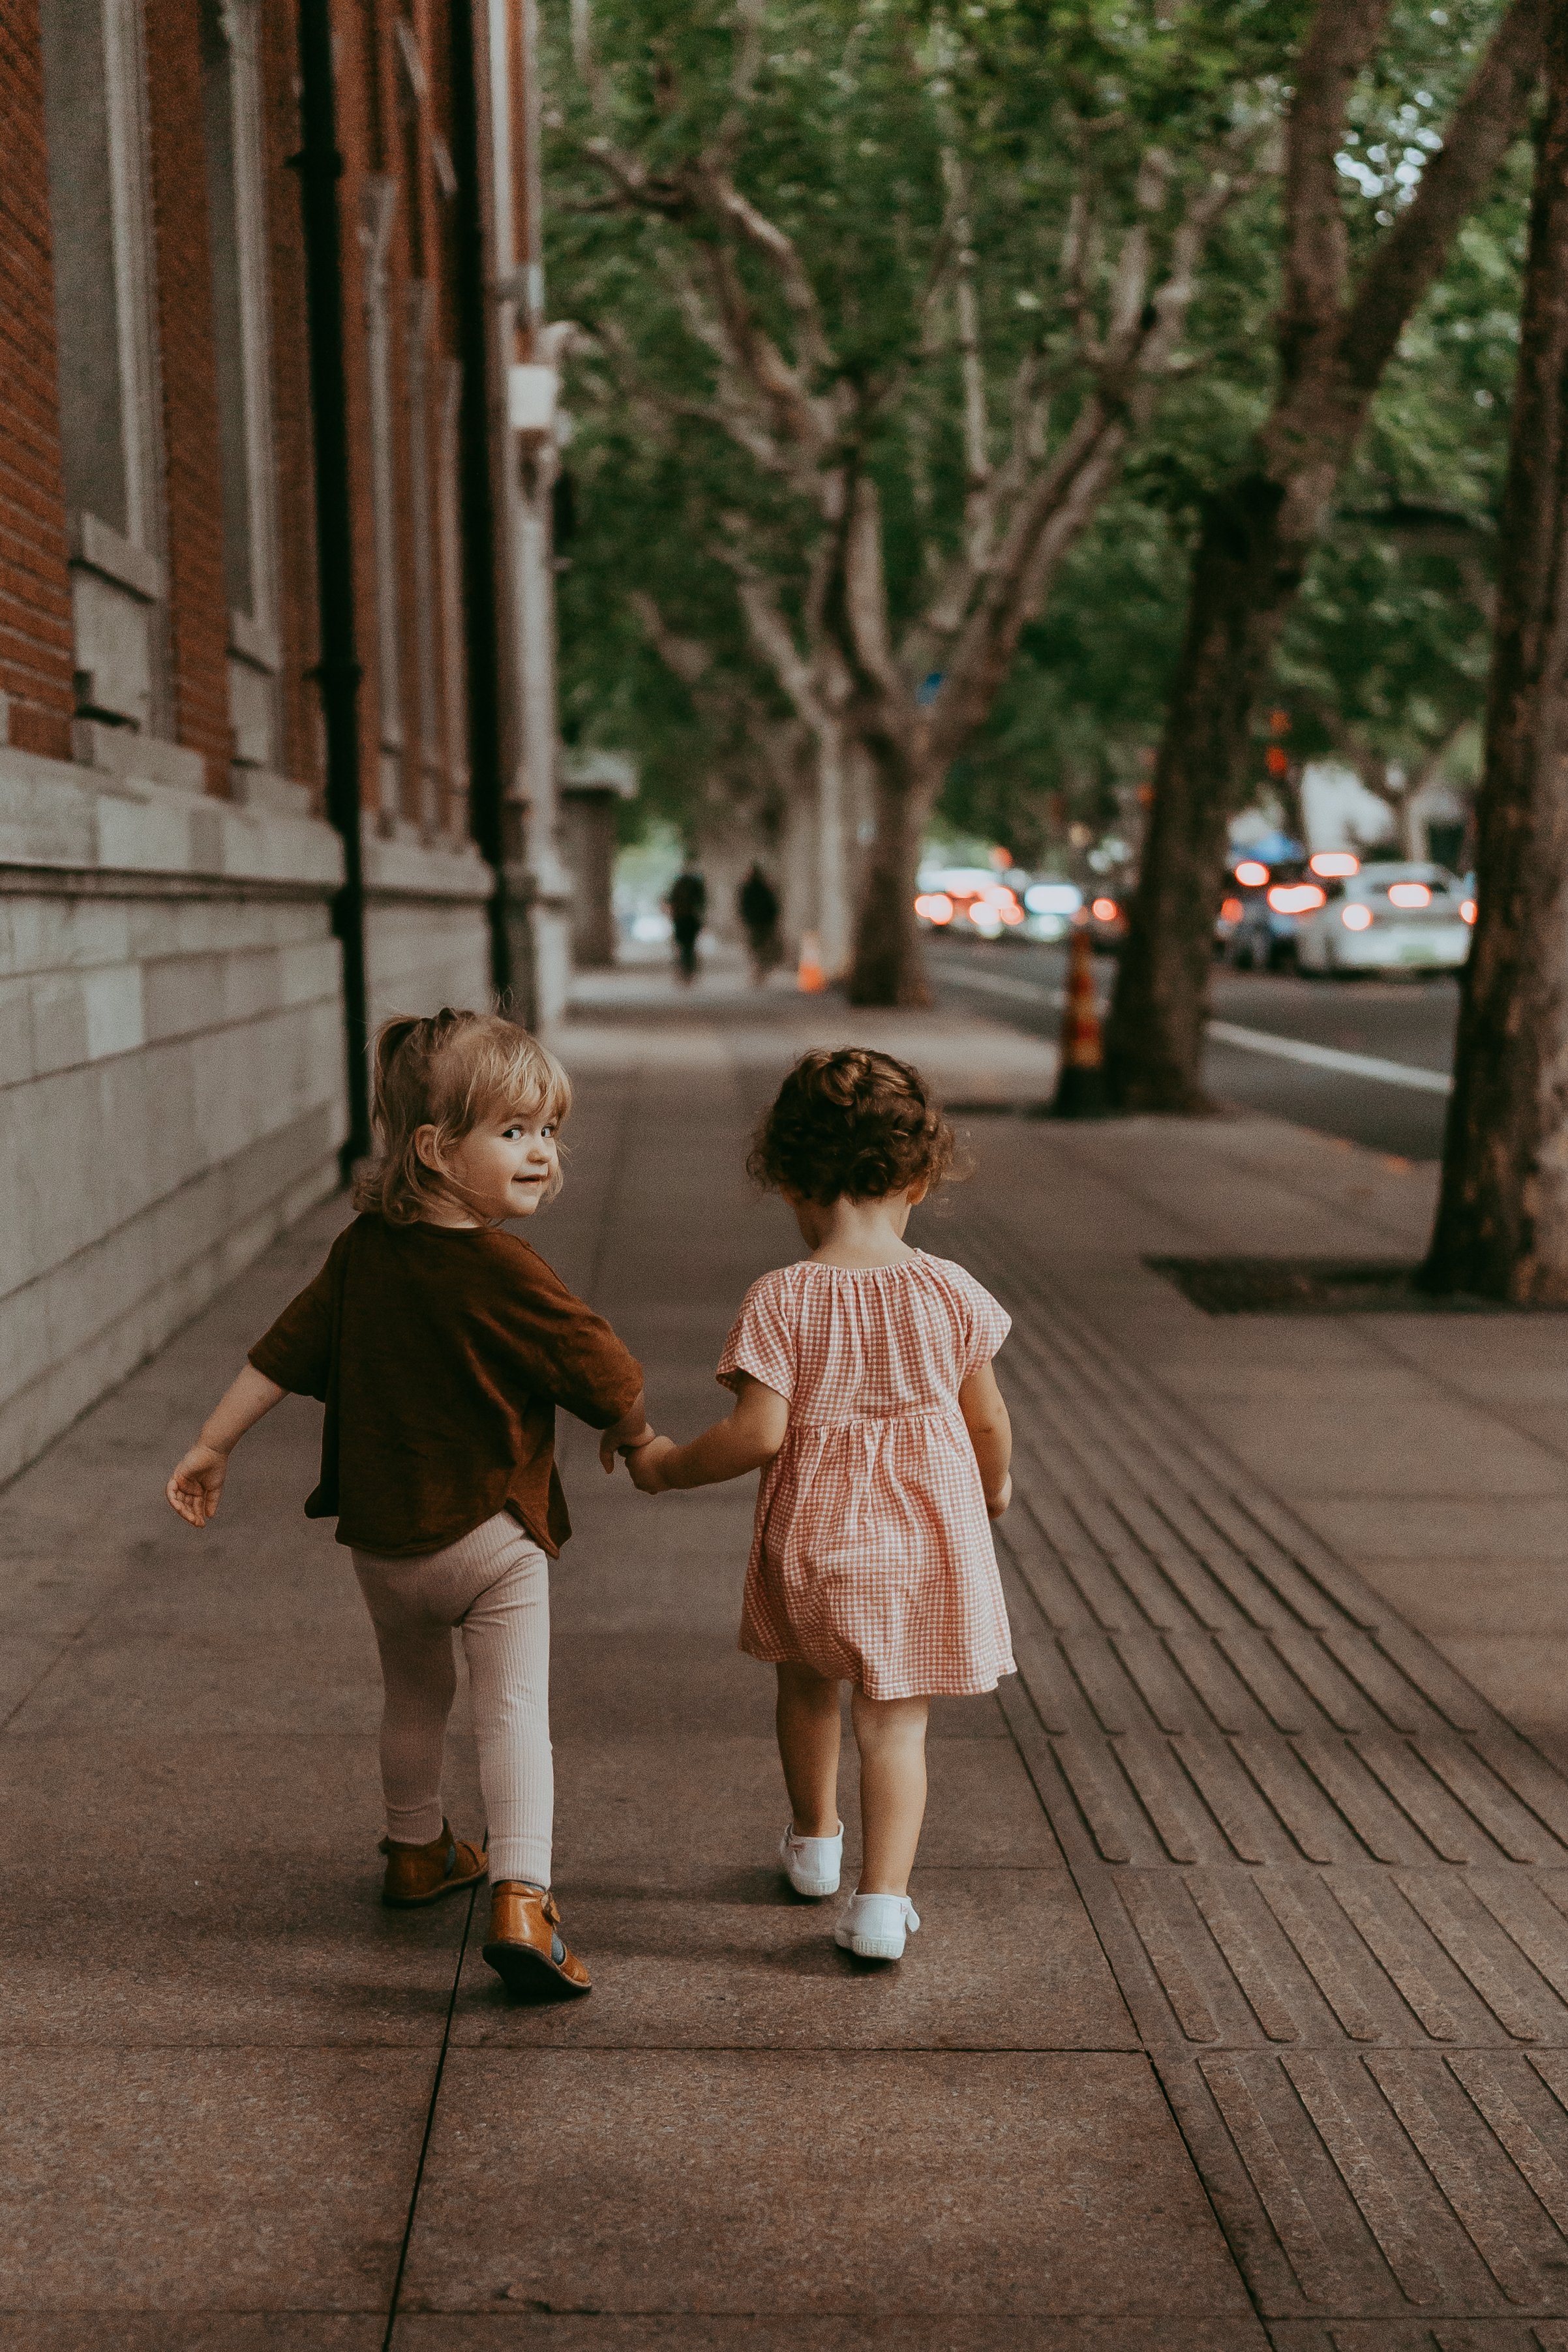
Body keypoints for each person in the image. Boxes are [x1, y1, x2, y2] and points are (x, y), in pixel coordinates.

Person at [164, 1009, 653, 1999]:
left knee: (415, 1696)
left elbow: (280, 1352)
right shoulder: (505, 1269)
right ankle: (524, 1897)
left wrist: (214, 1442)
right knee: (512, 1708)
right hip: (492, 1536)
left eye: (548, 1130)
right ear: (436, 1148)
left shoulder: (361, 1251)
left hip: (385, 1545)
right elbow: (606, 1366)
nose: (541, 1152)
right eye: (513, 1132)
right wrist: (633, 1431)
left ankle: (417, 1848)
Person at [626, 1048, 1014, 1962]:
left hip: (816, 1539)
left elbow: (758, 1433)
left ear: (793, 1180)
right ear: (917, 1174)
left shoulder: (783, 1298)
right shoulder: (951, 1290)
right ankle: (881, 1904)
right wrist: (991, 1486)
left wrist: (672, 1465)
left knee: (805, 1682)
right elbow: (987, 1417)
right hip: (925, 1542)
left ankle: (813, 1845)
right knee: (895, 1719)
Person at [737, 863, 781, 986]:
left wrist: (746, 918)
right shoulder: (765, 888)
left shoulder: (748, 888)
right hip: (764, 922)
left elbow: (743, 906)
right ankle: (760, 968)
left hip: (755, 922)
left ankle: (758, 968)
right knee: (761, 946)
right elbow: (773, 906)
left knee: (756, 947)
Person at [665, 858, 708, 984]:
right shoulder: (696, 885)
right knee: (689, 946)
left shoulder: (677, 885)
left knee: (682, 946)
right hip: (691, 920)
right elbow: (701, 903)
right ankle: (688, 971)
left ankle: (684, 971)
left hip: (680, 920)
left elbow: (670, 901)